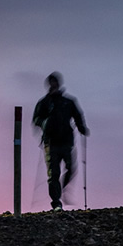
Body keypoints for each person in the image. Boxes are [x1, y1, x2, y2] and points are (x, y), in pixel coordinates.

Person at [32, 72, 89, 211]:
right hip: (50, 143)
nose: (54, 85)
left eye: (55, 82)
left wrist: (82, 127)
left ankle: (61, 190)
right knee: (54, 174)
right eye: (51, 82)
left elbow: (77, 115)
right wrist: (45, 123)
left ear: (59, 84)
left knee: (71, 168)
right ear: (48, 85)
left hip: (66, 141)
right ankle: (56, 202)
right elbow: (36, 119)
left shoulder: (68, 102)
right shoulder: (44, 102)